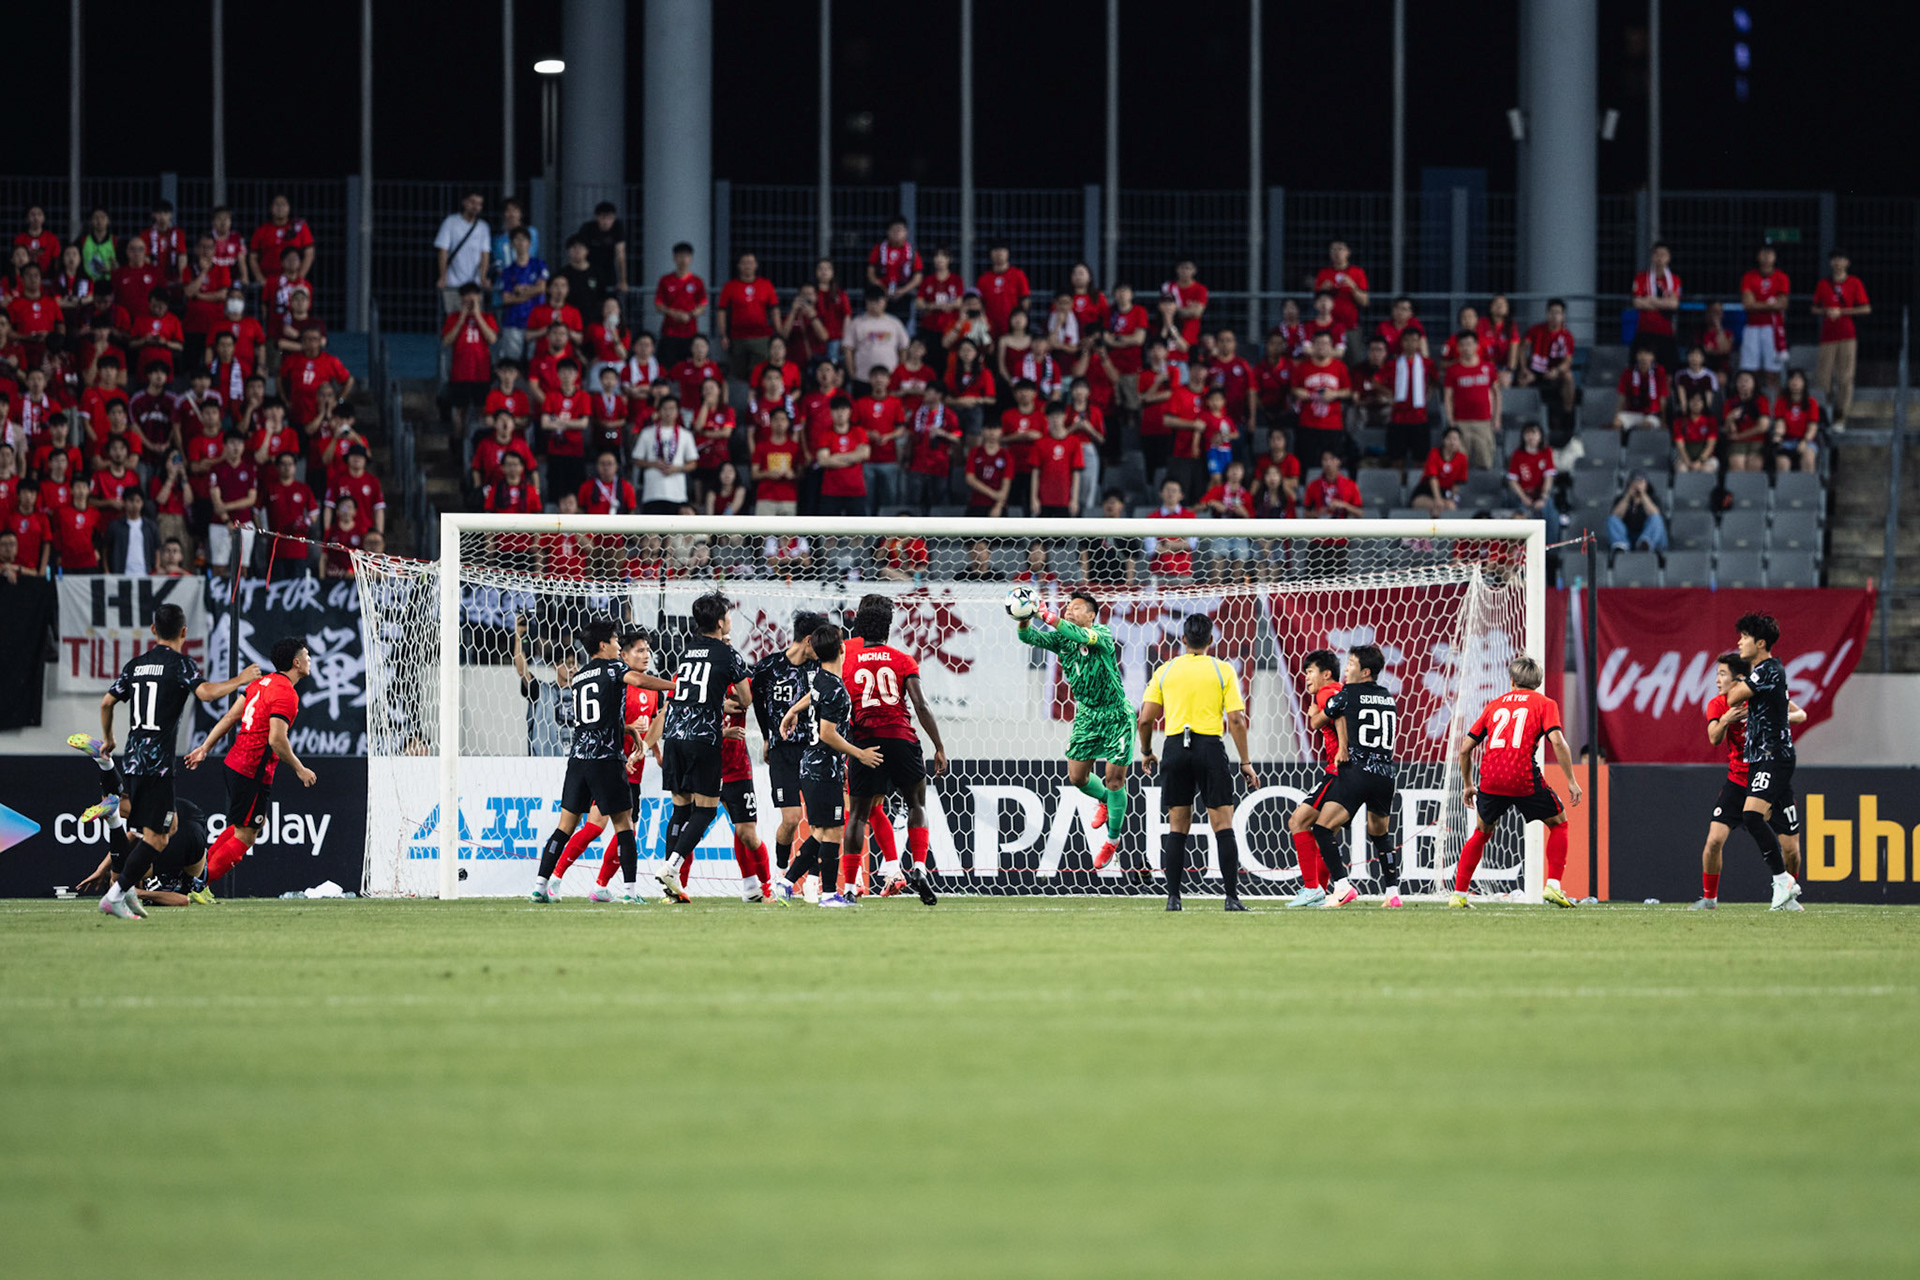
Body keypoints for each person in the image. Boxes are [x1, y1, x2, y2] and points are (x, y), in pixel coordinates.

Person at [88, 603, 261, 919]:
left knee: (157, 828)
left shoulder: (135, 665)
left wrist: (109, 738)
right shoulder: (181, 665)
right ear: (184, 632)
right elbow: (207, 693)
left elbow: (106, 702)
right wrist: (240, 680)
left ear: (153, 630)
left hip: (133, 757)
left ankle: (116, 814)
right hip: (158, 764)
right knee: (159, 836)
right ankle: (117, 893)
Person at [794, 595, 948, 906]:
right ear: (889, 628)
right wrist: (939, 746)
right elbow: (920, 705)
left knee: (858, 815)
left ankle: (848, 887)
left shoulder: (846, 657)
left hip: (864, 743)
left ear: (857, 628)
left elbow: (825, 689)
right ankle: (917, 866)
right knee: (917, 803)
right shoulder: (903, 659)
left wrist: (793, 710)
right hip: (902, 738)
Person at [529, 620, 678, 903]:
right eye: (614, 641)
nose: (618, 645)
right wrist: (675, 686)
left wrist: (629, 729)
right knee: (625, 826)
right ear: (603, 646)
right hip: (606, 759)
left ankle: (540, 886)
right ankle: (630, 893)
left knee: (565, 827)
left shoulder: (581, 676)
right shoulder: (615, 669)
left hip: (578, 759)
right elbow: (639, 679)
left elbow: (592, 719)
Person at [1137, 612, 1259, 911]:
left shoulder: (1165, 670)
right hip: (1208, 747)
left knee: (1178, 825)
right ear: (1211, 640)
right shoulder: (1223, 670)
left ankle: (1173, 898)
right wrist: (1245, 761)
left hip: (1175, 747)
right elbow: (1236, 720)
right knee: (1222, 823)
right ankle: (1231, 898)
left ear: (1182, 640)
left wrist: (1146, 750)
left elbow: (1144, 719)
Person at [184, 636, 317, 888]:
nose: (310, 659)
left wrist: (205, 747)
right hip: (252, 767)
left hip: (235, 762)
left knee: (243, 826)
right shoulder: (286, 693)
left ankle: (197, 877)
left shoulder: (260, 683)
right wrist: (300, 769)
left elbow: (231, 716)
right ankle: (196, 886)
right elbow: (276, 739)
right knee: (247, 834)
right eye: (307, 655)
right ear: (296, 662)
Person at [1452, 654, 1582, 908]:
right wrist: (1571, 780)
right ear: (1538, 682)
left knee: (1482, 831)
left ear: (1511, 681)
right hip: (1521, 777)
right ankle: (1553, 885)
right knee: (1559, 823)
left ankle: (1459, 894)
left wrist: (1469, 784)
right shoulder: (1545, 703)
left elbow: (1465, 748)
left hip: (1490, 779)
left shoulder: (1495, 705)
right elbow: (1556, 741)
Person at [1016, 591, 1132, 869]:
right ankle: (1106, 801)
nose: (1069, 611)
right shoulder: (1061, 638)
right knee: (1077, 777)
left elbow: (1082, 637)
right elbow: (1027, 637)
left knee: (1114, 779)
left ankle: (1112, 841)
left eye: (1077, 608)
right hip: (1087, 715)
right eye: (1067, 607)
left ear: (1091, 616)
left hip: (1115, 713)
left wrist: (1045, 614)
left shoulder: (1101, 634)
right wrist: (1023, 618)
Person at [769, 625, 883, 908]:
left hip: (812, 766)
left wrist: (792, 710)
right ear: (842, 649)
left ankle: (786, 882)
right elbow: (828, 734)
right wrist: (860, 754)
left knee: (822, 831)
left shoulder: (822, 679)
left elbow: (814, 695)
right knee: (831, 830)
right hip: (823, 768)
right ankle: (829, 893)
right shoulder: (837, 691)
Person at [653, 593, 754, 902]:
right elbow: (746, 699)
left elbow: (691, 692)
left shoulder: (687, 653)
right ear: (721, 622)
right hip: (703, 738)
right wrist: (733, 701)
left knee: (680, 810)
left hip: (674, 736)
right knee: (706, 811)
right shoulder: (729, 654)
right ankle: (672, 867)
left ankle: (670, 890)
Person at [1693, 651, 1808, 910]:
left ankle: (1788, 895)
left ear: (1740, 679)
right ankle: (1709, 898)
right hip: (1739, 780)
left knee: (1791, 849)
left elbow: (1801, 715)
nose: (1717, 680)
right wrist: (1726, 720)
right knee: (1713, 841)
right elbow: (1713, 738)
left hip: (1772, 776)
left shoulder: (1764, 695)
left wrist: (1772, 718)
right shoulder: (1718, 704)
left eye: (1722, 674)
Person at [1294, 645, 1398, 909]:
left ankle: (1341, 886)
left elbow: (1320, 721)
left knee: (1321, 828)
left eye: (1351, 664)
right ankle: (1393, 892)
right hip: (1385, 774)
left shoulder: (1345, 693)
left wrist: (1315, 715)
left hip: (1356, 771)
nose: (1347, 668)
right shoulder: (1388, 697)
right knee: (1379, 834)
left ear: (1364, 672)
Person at [1721, 613, 1805, 910]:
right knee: (1788, 840)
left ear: (1760, 643)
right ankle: (1787, 900)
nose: (1739, 641)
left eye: (1744, 637)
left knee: (1752, 816)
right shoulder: (1766, 672)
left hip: (1774, 757)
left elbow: (1733, 697)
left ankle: (1782, 881)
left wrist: (1740, 685)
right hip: (1762, 758)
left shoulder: (1767, 670)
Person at [747, 612, 825, 884]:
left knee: (819, 823)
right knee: (791, 819)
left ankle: (813, 880)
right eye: (819, 641)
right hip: (783, 752)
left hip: (814, 749)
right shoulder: (767, 668)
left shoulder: (820, 669)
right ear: (807, 640)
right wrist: (768, 737)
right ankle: (781, 869)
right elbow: (756, 701)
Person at [1284, 650, 1342, 907]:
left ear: (1326, 674)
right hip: (1356, 773)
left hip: (1338, 771)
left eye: (1310, 672)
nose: (1306, 677)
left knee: (1298, 822)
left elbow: (1332, 717)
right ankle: (1320, 890)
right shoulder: (1341, 691)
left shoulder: (1326, 693)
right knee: (1325, 832)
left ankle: (1312, 888)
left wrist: (1315, 715)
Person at [1811, 249, 1870, 429]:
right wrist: (1826, 311)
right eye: (1835, 260)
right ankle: (1823, 414)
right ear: (1831, 263)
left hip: (1847, 335)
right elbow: (1814, 308)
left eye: (1842, 259)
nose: (1838, 263)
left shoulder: (1854, 283)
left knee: (1845, 377)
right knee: (1823, 378)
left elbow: (1866, 308)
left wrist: (1842, 311)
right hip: (1828, 336)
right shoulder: (1823, 284)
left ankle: (1840, 417)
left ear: (1847, 263)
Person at [716, 252, 781, 382]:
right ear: (739, 266)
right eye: (744, 262)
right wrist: (723, 335)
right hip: (738, 337)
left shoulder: (766, 285)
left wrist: (779, 332)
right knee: (738, 373)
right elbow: (721, 311)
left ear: (756, 265)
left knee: (760, 373)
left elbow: (774, 309)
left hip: (761, 337)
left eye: (751, 262)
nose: (748, 266)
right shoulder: (730, 286)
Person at [1442, 330, 1501, 469]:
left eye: (1469, 344)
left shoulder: (1488, 367)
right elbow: (1448, 396)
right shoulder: (1452, 370)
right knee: (1460, 463)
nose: (1466, 348)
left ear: (1477, 346)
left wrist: (1496, 418)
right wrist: (1451, 421)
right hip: (1461, 421)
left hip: (1484, 421)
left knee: (1485, 462)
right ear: (1458, 348)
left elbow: (1497, 394)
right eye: (1462, 345)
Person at [1739, 242, 1791, 394]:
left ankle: (1774, 408)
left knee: (1772, 372)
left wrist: (1758, 303)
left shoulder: (1781, 277)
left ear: (1775, 257)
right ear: (1758, 255)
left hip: (1772, 329)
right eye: (1763, 252)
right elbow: (1748, 304)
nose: (1767, 256)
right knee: (1750, 371)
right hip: (1752, 327)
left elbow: (1783, 304)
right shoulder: (1749, 276)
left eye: (1770, 253)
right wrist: (1770, 304)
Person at [1519, 298, 1577, 426]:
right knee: (1522, 380)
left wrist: (1556, 371)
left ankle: (1567, 416)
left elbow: (1568, 361)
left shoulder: (1567, 336)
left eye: (1558, 313)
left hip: (1554, 374)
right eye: (1551, 312)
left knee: (1568, 376)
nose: (1554, 316)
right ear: (1546, 314)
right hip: (1535, 371)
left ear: (1563, 316)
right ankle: (1521, 418)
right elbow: (1523, 349)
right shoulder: (1536, 330)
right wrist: (1524, 369)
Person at [433, 189, 491, 313]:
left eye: (479, 204)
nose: (475, 207)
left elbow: (485, 254)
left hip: (474, 286)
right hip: (453, 285)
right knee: (453, 322)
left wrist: (483, 277)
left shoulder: (483, 227)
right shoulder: (450, 222)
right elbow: (443, 251)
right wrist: (443, 277)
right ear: (464, 202)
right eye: (472, 202)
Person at [653, 241, 708, 367]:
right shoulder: (665, 280)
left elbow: (703, 305)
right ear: (674, 258)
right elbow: (658, 304)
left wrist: (689, 315)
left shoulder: (697, 281)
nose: (683, 259)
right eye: (680, 256)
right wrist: (674, 313)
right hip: (669, 332)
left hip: (690, 332)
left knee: (689, 366)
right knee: (667, 366)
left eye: (686, 256)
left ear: (691, 258)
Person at [1631, 241, 1682, 369]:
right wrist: (1663, 303)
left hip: (1665, 332)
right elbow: (1637, 302)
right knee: (1640, 368)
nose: (1659, 258)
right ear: (1652, 256)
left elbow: (1674, 304)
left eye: (1663, 255)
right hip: (1645, 331)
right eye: (1656, 254)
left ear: (1669, 257)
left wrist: (1650, 300)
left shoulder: (1674, 279)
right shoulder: (1641, 277)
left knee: (1668, 370)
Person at [868, 216, 923, 326]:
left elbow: (918, 277)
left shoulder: (911, 251)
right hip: (882, 297)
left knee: (901, 325)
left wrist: (902, 291)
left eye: (900, 230)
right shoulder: (879, 249)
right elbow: (870, 273)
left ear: (906, 232)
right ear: (888, 232)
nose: (897, 233)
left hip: (903, 297)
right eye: (894, 230)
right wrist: (883, 289)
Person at [572, 202, 629, 303]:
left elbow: (620, 255)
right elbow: (581, 251)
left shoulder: (617, 228)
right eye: (603, 218)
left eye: (610, 218)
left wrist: (623, 280)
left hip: (609, 270)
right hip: (591, 269)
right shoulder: (588, 228)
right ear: (597, 217)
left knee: (611, 298)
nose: (606, 222)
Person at [1770, 368, 1821, 473]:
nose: (1795, 382)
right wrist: (1778, 437)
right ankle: (1784, 489)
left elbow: (1813, 427)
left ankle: (1807, 488)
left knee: (1808, 459)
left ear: (1804, 383)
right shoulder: (1781, 401)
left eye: (1798, 379)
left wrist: (1804, 442)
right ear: (1788, 382)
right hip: (1787, 440)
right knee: (1782, 463)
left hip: (1807, 440)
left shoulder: (1811, 402)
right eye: (1792, 379)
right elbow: (1780, 423)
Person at [1314, 240, 1370, 332]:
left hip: (1350, 325)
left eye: (1340, 249)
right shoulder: (1323, 273)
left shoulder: (1357, 272)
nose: (1337, 253)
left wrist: (1353, 287)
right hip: (1328, 325)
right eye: (1333, 250)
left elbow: (1365, 302)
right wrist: (1322, 290)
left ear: (1348, 252)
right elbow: (1316, 302)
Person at [1613, 345, 1670, 438]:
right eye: (1640, 353)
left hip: (1652, 415)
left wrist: (1663, 421)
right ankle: (1620, 450)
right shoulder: (1628, 372)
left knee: (1646, 425)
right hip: (1633, 413)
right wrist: (1616, 415)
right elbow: (1622, 397)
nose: (1644, 357)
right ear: (1636, 356)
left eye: (1647, 354)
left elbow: (1662, 398)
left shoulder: (1659, 371)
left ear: (1653, 357)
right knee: (1617, 423)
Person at [1410, 426, 1468, 513]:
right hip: (1426, 491)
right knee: (1436, 508)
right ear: (1444, 440)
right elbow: (1433, 478)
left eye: (1455, 439)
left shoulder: (1462, 458)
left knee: (1451, 507)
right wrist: (1438, 499)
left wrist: (1451, 499)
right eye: (1449, 438)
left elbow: (1457, 483)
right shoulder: (1434, 453)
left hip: (1445, 493)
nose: (1452, 442)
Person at [1722, 369, 1771, 471]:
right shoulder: (1730, 402)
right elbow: (1728, 431)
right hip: (1737, 443)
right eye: (1740, 381)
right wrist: (1729, 419)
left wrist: (1740, 436)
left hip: (1757, 441)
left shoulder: (1761, 400)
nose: (1743, 384)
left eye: (1747, 381)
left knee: (1754, 465)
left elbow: (1763, 426)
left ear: (1754, 383)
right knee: (1737, 464)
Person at [1607, 471, 1666, 555]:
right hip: (1630, 538)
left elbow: (1655, 514)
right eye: (1635, 482)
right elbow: (1616, 516)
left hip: (1653, 539)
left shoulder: (1654, 499)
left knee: (1656, 519)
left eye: (1641, 482)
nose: (1638, 486)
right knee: (1612, 519)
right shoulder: (1621, 499)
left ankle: (1645, 544)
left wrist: (1643, 495)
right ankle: (1620, 546)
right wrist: (1628, 496)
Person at [1672, 392, 1719, 473]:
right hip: (1685, 457)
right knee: (1682, 469)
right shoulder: (1679, 422)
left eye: (1699, 401)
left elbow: (1710, 445)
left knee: (1706, 469)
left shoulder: (1711, 421)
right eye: (1692, 400)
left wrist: (1700, 461)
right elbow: (1681, 447)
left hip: (1705, 457)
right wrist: (1688, 463)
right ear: (1688, 403)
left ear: (1703, 403)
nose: (1696, 403)